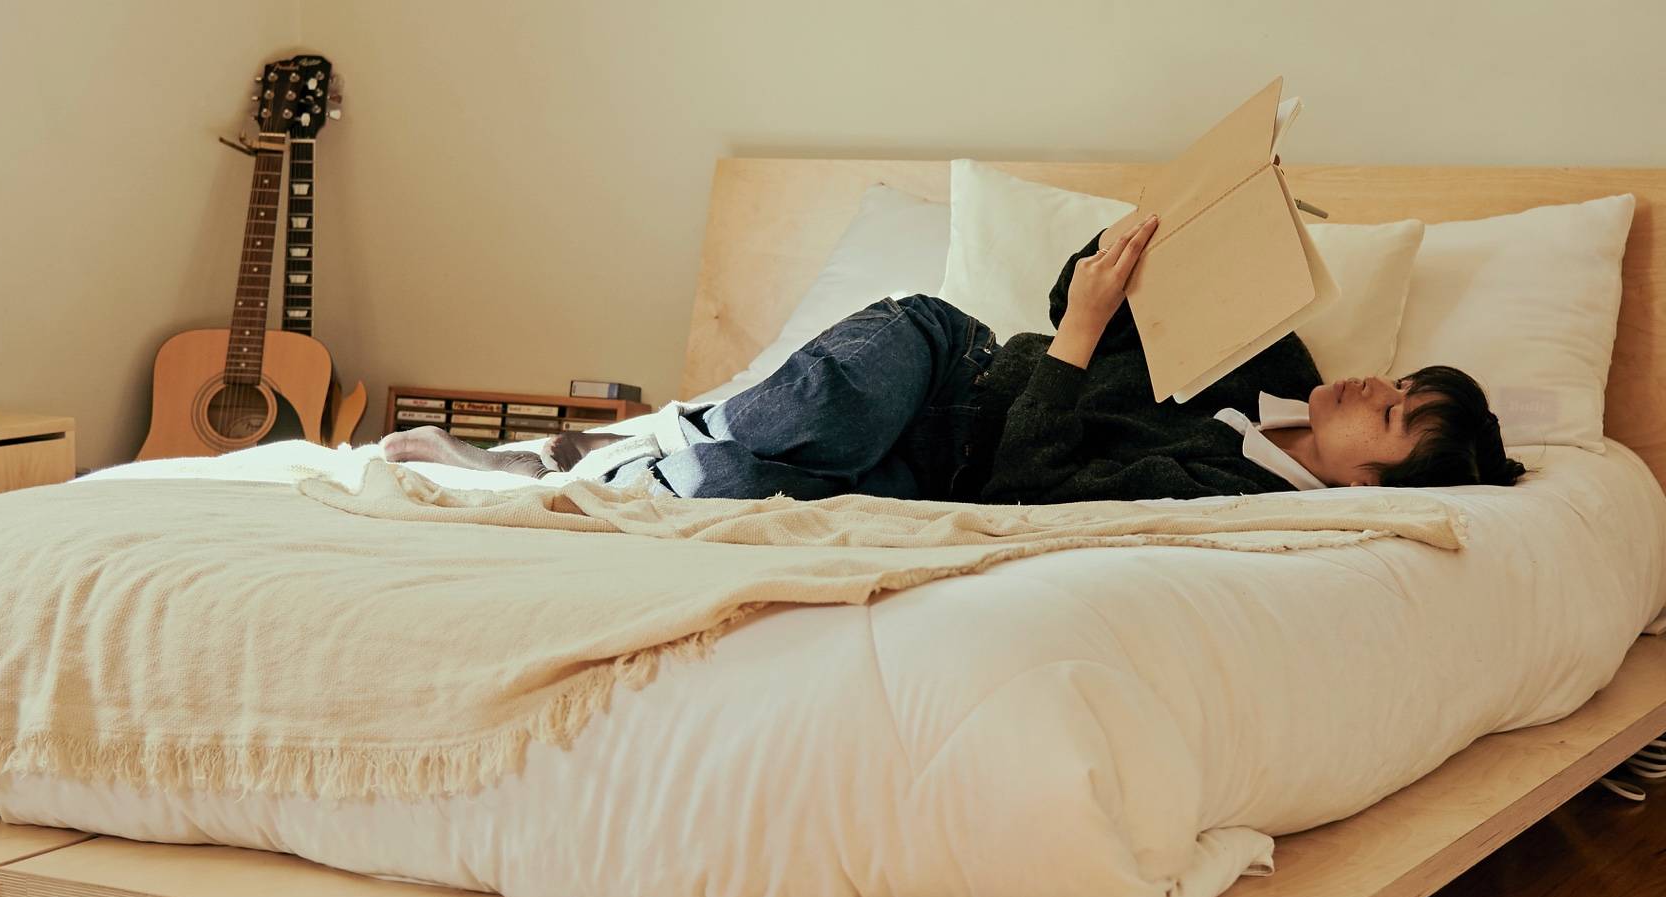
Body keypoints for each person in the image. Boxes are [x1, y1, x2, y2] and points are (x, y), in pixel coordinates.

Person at [385, 216, 1526, 503]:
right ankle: (617, 458)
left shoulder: (1223, 488)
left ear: (1363, 486)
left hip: (945, 480)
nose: (1376, 385)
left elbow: (1029, 489)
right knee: (836, 406)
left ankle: (572, 467)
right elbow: (1062, 299)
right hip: (946, 368)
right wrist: (1159, 247)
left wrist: (1081, 337)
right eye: (1401, 379)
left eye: (1389, 415)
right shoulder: (1264, 360)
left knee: (744, 495)